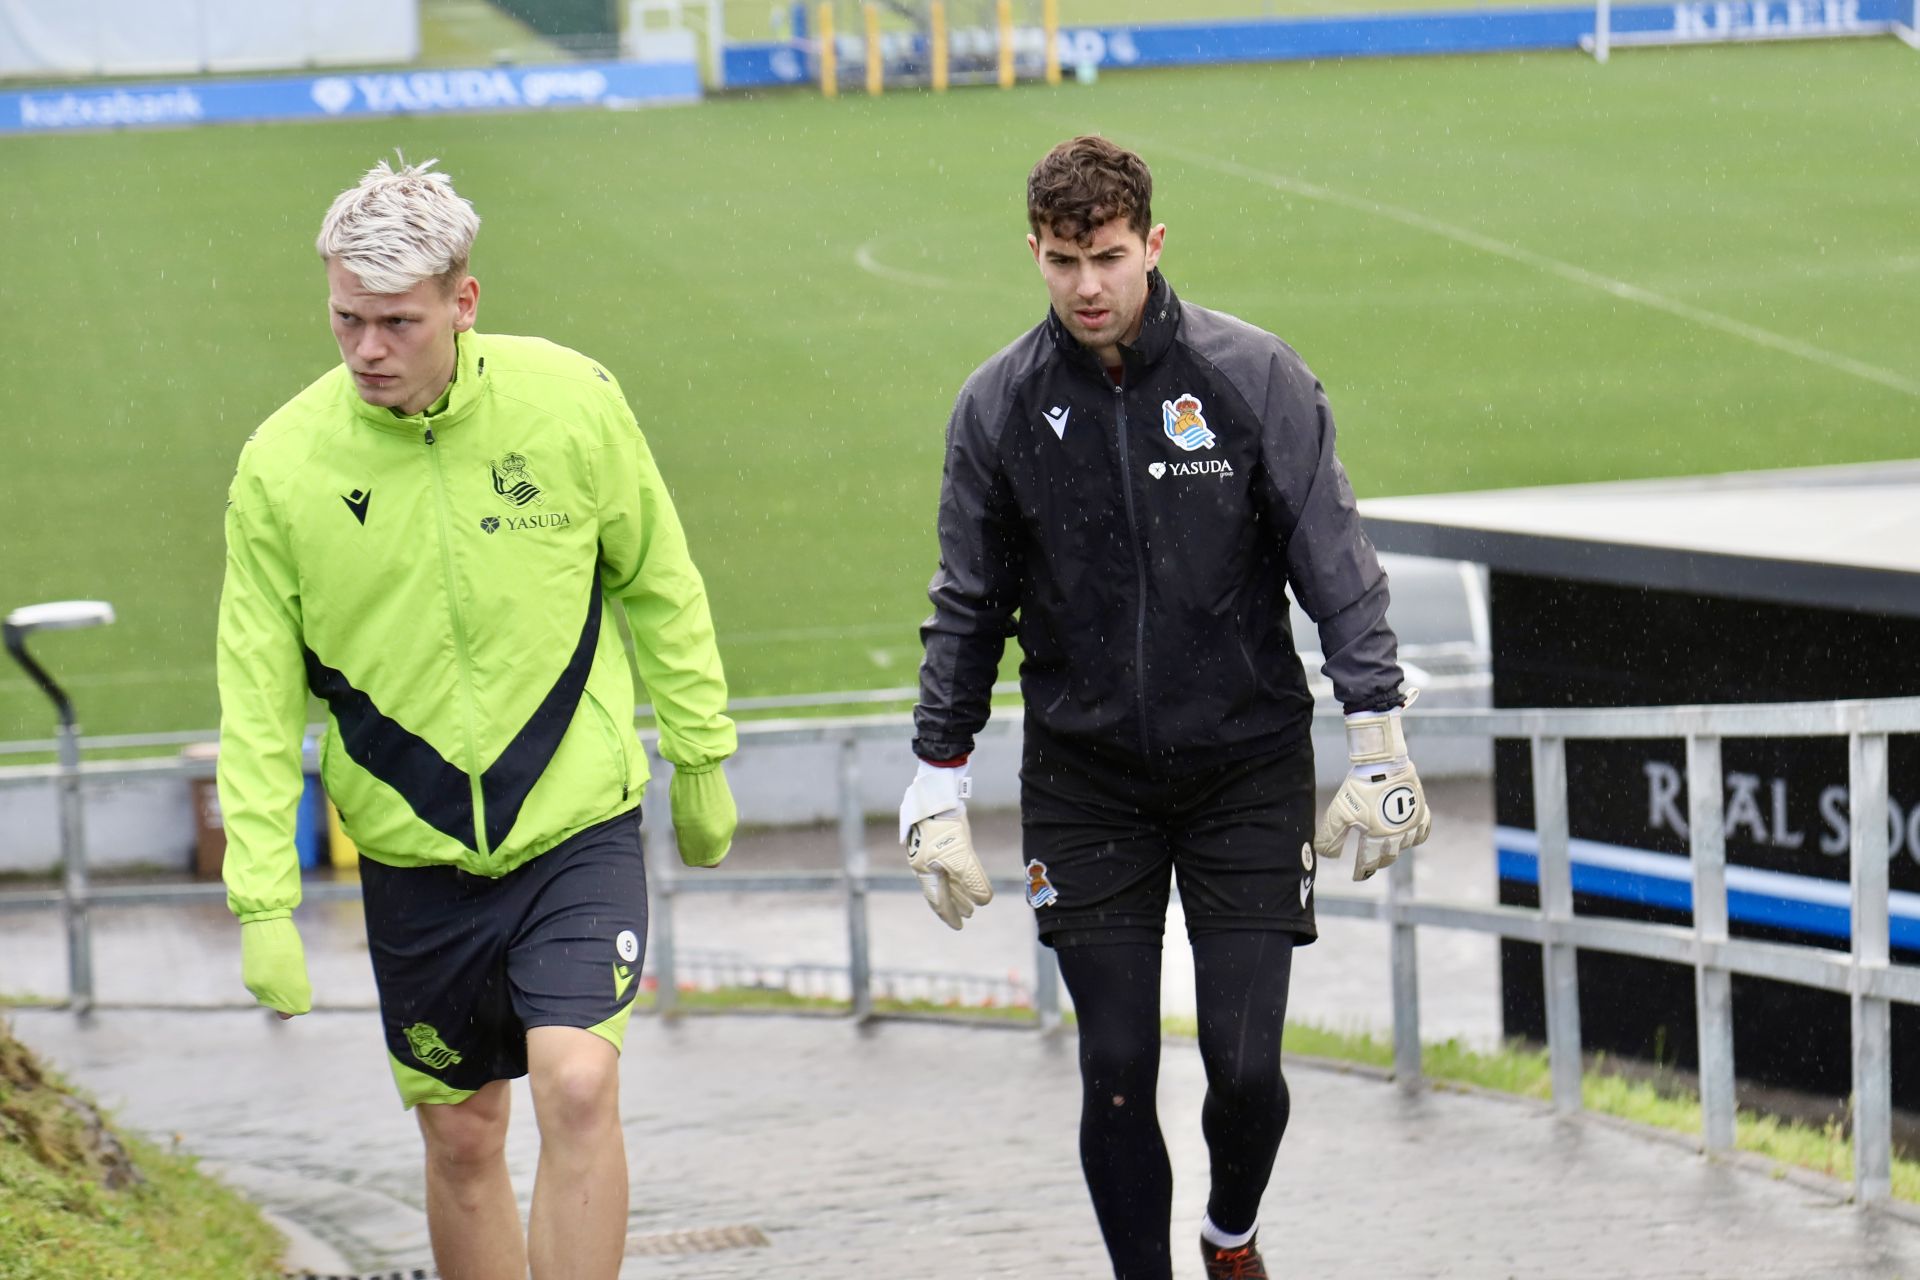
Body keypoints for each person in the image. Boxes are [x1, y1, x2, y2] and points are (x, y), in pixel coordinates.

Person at [899, 135, 1432, 1280]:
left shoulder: (1253, 376)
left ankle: (1230, 1232)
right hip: (1086, 782)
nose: (1087, 285)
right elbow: (968, 601)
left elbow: (1334, 557)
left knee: (1245, 1069)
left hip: (1246, 767)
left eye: (1107, 257)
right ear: (1033, 254)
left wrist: (1378, 732)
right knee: (1117, 1066)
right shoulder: (997, 406)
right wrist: (936, 779)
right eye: (1062, 261)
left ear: (1152, 243)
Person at [216, 157, 738, 1280]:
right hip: (413, 856)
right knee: (463, 1136)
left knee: (578, 1082)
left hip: (575, 824)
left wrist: (701, 753)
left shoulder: (572, 401)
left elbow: (659, 578)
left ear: (464, 301)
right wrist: (263, 893)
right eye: (346, 319)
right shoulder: (281, 467)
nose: (366, 349)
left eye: (396, 322)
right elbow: (255, 692)